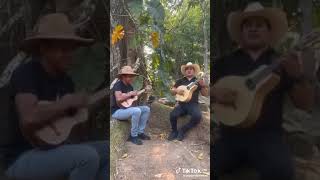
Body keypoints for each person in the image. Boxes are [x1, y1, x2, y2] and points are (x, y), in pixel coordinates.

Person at [212, 2, 314, 180]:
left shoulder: (281, 63)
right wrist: (214, 93)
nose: (253, 29)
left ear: (269, 32)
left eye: (259, 25)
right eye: (248, 25)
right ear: (241, 33)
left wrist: (299, 76)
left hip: (268, 138)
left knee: (282, 172)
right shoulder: (224, 63)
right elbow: (205, 92)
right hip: (230, 137)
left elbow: (305, 105)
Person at [4, 13, 108, 180]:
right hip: (22, 157)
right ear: (44, 49)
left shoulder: (66, 82)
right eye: (63, 49)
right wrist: (66, 104)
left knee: (109, 151)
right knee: (87, 157)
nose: (69, 54)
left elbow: (66, 135)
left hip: (54, 151)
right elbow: (28, 118)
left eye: (71, 49)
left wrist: (82, 114)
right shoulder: (26, 73)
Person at [168, 62, 209, 141]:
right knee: (172, 115)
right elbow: (172, 91)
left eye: (191, 69)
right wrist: (177, 90)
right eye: (187, 69)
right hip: (181, 104)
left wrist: (203, 85)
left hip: (193, 105)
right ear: (185, 71)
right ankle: (174, 131)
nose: (189, 70)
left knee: (197, 116)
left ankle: (183, 130)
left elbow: (205, 94)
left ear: (194, 71)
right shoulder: (180, 81)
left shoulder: (198, 81)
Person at [111, 66, 151, 145]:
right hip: (117, 111)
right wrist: (130, 94)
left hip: (125, 109)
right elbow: (119, 99)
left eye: (132, 76)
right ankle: (133, 136)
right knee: (136, 110)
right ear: (123, 76)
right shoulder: (118, 85)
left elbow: (131, 99)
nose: (132, 78)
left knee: (146, 109)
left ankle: (140, 132)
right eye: (130, 76)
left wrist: (142, 91)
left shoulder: (130, 86)